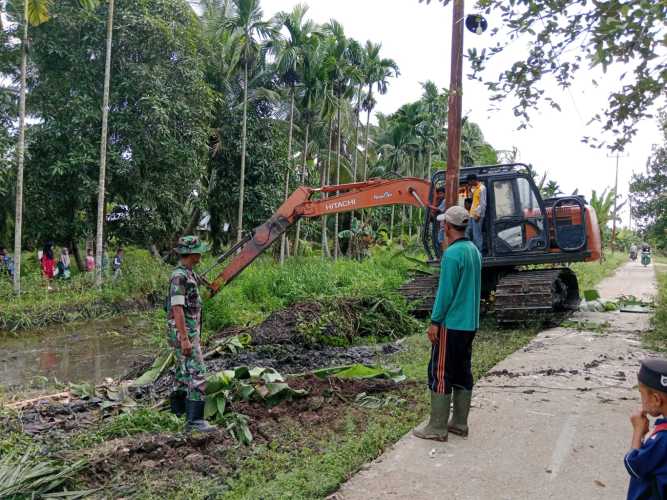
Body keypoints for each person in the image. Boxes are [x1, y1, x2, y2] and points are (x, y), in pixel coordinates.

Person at [414, 206, 482, 442]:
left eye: (444, 225)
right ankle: (460, 423)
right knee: (463, 371)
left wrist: (435, 322)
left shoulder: (452, 255)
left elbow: (445, 293)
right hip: (469, 324)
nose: (442, 228)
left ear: (448, 227)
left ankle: (437, 426)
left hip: (452, 325)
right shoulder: (474, 250)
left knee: (440, 372)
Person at [166, 235, 216, 433]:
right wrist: (185, 339)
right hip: (183, 333)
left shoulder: (189, 273)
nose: (201, 254)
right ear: (191, 253)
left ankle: (177, 413)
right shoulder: (179, 276)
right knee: (198, 373)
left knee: (181, 372)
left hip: (187, 332)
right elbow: (177, 308)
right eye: (199, 251)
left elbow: (203, 284)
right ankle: (194, 421)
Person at [625, 358, 667, 500]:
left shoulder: (662, 439)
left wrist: (638, 431)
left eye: (642, 395)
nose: (641, 402)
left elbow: (634, 465)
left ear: (656, 399)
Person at [465, 174, 486, 253]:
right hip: (472, 214)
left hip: (477, 215)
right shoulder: (475, 189)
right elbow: (473, 200)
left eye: (469, 182)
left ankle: (479, 253)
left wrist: (478, 215)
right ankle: (470, 250)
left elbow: (483, 204)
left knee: (477, 235)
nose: (469, 183)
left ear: (473, 180)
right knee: (467, 232)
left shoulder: (482, 188)